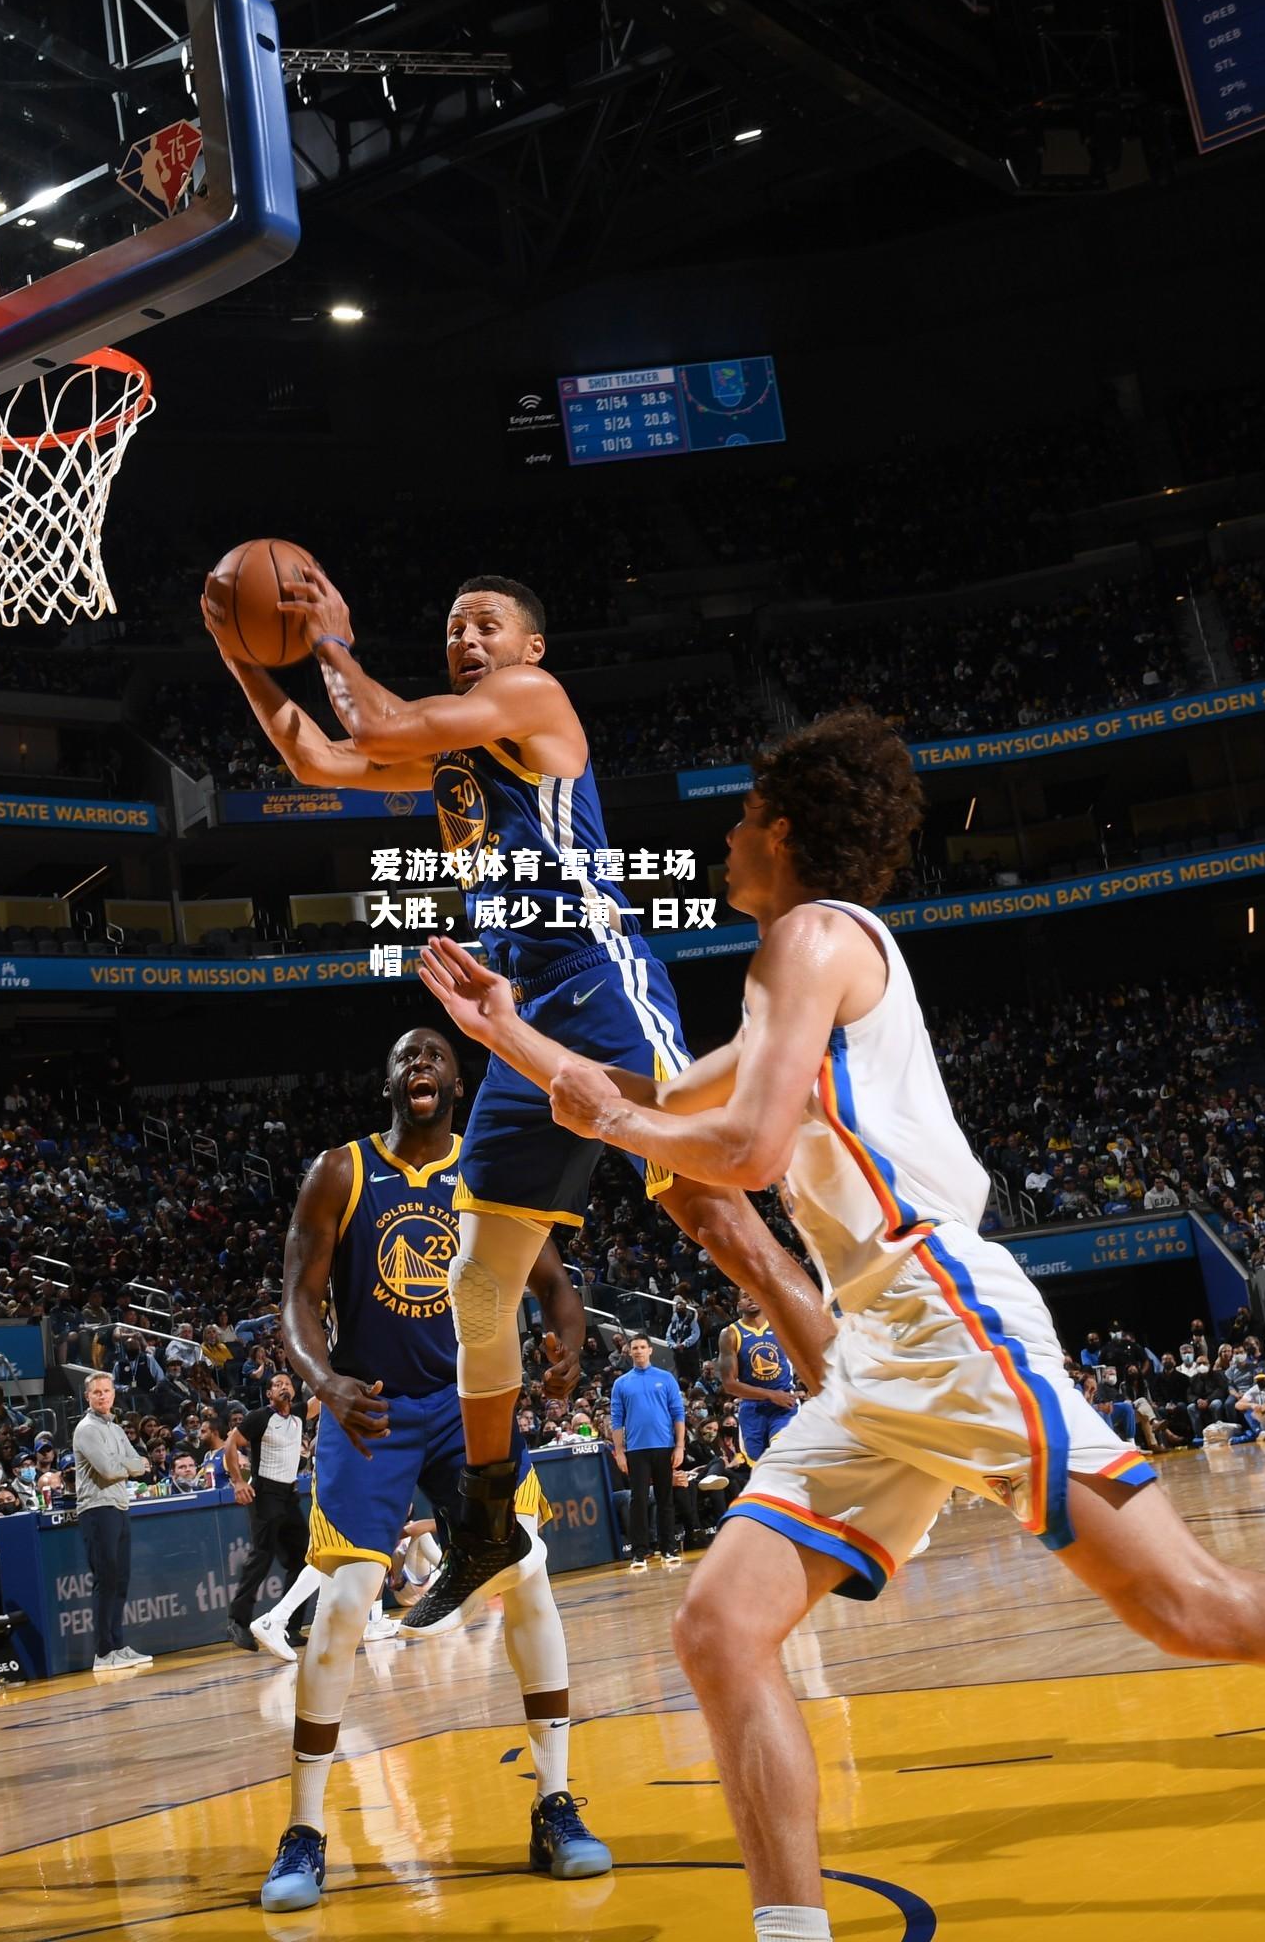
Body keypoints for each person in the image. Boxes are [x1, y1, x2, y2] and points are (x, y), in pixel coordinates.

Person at [415, 710, 1265, 1942]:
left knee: (1194, 1608)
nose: (720, 841)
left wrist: (627, 1123)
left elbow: (738, 1146)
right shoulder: (785, 986)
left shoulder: (812, 937)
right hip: (882, 1357)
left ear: (782, 828)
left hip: (949, 1321)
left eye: (739, 816)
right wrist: (508, 1034)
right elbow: (644, 1092)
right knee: (717, 1628)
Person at [214, 567, 833, 1631]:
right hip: (517, 1014)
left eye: (486, 623)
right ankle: (491, 1516)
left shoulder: (533, 704)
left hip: (597, 983)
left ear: (531, 647)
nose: (465, 636)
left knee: (710, 1212)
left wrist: (323, 635)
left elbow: (370, 711)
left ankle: (851, 1405)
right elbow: (314, 752)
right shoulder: (450, 751)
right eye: (453, 625)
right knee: (476, 1281)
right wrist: (235, 644)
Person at [260, 1026, 609, 1912]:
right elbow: (298, 1303)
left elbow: (556, 1290)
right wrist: (325, 1381)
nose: (421, 1065)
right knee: (341, 1607)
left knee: (527, 1574)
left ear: (458, 1083)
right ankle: (304, 1829)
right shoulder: (339, 1172)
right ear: (388, 1081)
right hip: (369, 1408)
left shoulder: (485, 1171)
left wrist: (567, 1347)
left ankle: (555, 1803)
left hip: (466, 1408)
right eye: (407, 1057)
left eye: (436, 1058)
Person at [222, 1375, 311, 1653]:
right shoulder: (260, 1417)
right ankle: (238, 1622)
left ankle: (288, 1627)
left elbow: (324, 1395)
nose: (284, 1386)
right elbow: (230, 1444)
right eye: (277, 1384)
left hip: (289, 1494)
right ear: (269, 1393)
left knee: (303, 1559)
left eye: (288, 1383)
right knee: (262, 1556)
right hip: (264, 1492)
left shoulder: (298, 1413)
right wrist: (238, 1482)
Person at [70, 1373, 150, 1674]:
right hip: (97, 1509)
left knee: (120, 1580)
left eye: (107, 1391)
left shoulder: (115, 1428)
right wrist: (131, 1466)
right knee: (106, 1581)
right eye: (96, 1393)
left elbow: (138, 1464)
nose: (102, 1396)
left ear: (114, 1394)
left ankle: (117, 1644)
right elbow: (107, 1469)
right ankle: (103, 1652)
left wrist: (129, 1466)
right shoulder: (87, 1430)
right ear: (88, 1397)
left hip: (119, 1506)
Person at [609, 1337, 686, 1572]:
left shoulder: (665, 1378)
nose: (639, 1351)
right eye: (635, 1348)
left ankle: (669, 1548)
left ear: (650, 1350)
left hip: (664, 1446)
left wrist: (680, 1446)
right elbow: (616, 1420)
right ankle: (639, 1552)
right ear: (629, 1352)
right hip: (635, 1450)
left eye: (643, 1347)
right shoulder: (621, 1383)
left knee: (665, 1499)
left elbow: (678, 1414)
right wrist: (619, 1452)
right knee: (638, 1500)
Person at [718, 1301, 802, 1465]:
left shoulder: (781, 1325)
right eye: (744, 1295)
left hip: (784, 1405)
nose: (750, 1297)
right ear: (738, 1305)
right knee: (759, 1465)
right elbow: (729, 1384)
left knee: (782, 1452)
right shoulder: (730, 1334)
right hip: (752, 1409)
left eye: (752, 1292)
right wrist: (770, 1395)